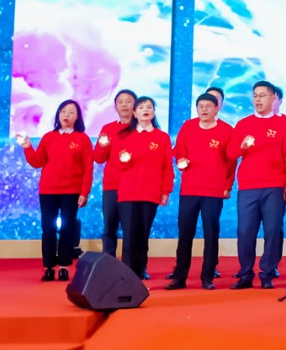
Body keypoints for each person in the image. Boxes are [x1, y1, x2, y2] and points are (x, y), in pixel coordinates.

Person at [230, 81, 286, 289]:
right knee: (245, 231)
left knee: (273, 231)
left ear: (273, 98)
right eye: (255, 95)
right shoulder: (243, 124)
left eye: (262, 95)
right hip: (248, 187)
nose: (258, 99)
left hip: (274, 186)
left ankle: (267, 272)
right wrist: (242, 147)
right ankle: (245, 274)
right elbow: (230, 154)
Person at [16, 99, 93, 282]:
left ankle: (64, 267)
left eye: (71, 112)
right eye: (63, 111)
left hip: (71, 191)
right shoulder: (48, 137)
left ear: (77, 117)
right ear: (58, 114)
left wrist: (84, 192)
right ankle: (49, 267)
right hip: (48, 190)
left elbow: (88, 168)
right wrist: (28, 147)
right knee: (48, 229)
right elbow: (37, 162)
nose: (67, 115)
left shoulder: (82, 139)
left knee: (67, 229)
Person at [167, 92, 236, 290]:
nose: (204, 110)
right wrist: (181, 159)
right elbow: (178, 149)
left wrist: (227, 185)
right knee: (185, 233)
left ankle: (208, 277)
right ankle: (179, 277)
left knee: (211, 234)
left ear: (217, 109)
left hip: (214, 191)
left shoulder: (226, 130)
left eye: (208, 106)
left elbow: (231, 161)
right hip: (190, 189)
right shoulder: (188, 127)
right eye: (200, 106)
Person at [112, 96, 173, 279]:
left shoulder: (162, 137)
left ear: (154, 112)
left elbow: (167, 166)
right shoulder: (124, 135)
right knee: (130, 234)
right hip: (128, 192)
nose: (145, 110)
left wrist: (165, 190)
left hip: (151, 191)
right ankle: (127, 271)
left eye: (149, 107)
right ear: (134, 113)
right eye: (141, 107)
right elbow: (116, 164)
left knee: (143, 233)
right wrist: (123, 160)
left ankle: (141, 269)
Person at [91, 88, 137, 266]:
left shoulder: (143, 128)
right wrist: (103, 145)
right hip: (112, 185)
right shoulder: (108, 128)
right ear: (115, 107)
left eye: (128, 101)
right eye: (120, 102)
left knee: (132, 229)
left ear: (136, 105)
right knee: (110, 226)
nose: (124, 105)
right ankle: (108, 266)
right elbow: (98, 158)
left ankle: (132, 267)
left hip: (135, 187)